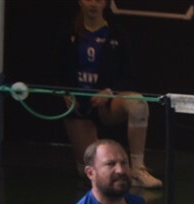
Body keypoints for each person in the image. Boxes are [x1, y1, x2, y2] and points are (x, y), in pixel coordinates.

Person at [61, 0, 160, 188]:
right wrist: (65, 92)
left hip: (108, 103)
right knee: (88, 171)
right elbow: (59, 72)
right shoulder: (69, 35)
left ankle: (138, 169)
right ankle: (106, 159)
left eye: (98, 0)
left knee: (138, 104)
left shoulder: (117, 35)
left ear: (105, 3)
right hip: (79, 106)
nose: (93, 5)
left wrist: (109, 92)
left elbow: (130, 76)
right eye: (89, 0)